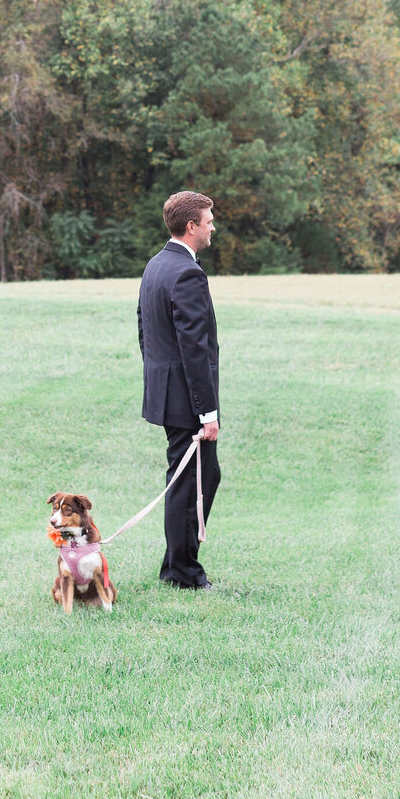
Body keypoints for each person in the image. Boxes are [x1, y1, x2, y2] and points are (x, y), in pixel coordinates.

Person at [137, 189, 221, 589]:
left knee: (196, 478)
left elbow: (144, 330)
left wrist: (157, 378)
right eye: (208, 222)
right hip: (187, 400)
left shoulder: (156, 264)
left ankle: (177, 565)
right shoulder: (187, 272)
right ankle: (182, 573)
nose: (212, 228)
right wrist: (207, 412)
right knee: (192, 483)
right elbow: (195, 346)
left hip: (167, 392)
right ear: (191, 227)